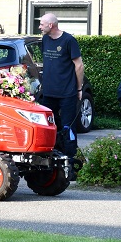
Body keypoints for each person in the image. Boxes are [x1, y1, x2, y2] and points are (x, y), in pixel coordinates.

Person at [39, 13, 84, 178]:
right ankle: (49, 163)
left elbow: (79, 65)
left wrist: (79, 89)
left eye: (42, 24)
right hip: (49, 93)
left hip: (67, 93)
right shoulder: (45, 40)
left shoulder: (69, 41)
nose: (39, 27)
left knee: (68, 128)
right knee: (48, 127)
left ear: (51, 25)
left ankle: (70, 167)